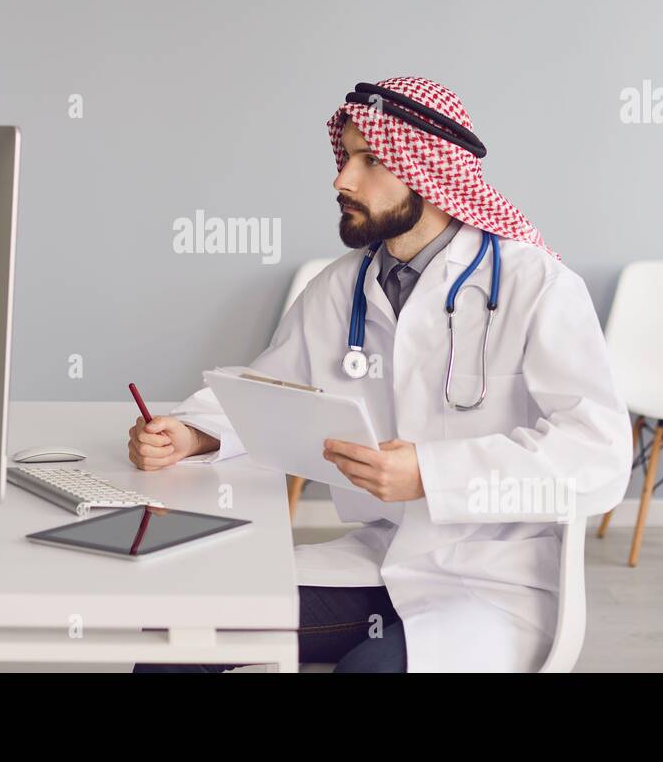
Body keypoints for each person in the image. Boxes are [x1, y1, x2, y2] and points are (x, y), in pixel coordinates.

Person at [130, 76, 632, 672]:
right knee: (183, 634)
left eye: (371, 160)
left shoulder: (537, 287)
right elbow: (267, 391)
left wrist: (431, 474)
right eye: (346, 158)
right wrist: (194, 433)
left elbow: (598, 456)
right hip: (377, 561)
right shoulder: (341, 288)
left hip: (495, 580)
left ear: (431, 173)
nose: (342, 178)